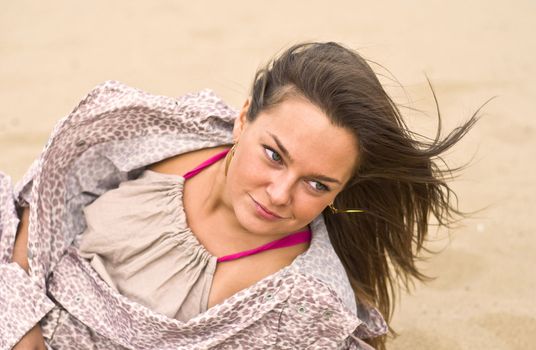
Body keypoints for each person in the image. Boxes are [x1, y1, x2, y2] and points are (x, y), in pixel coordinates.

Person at [0, 42, 478, 350]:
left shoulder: (299, 302)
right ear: (244, 116)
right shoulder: (172, 132)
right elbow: (44, 201)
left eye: (317, 184)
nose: (279, 193)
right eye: (273, 155)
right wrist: (22, 322)